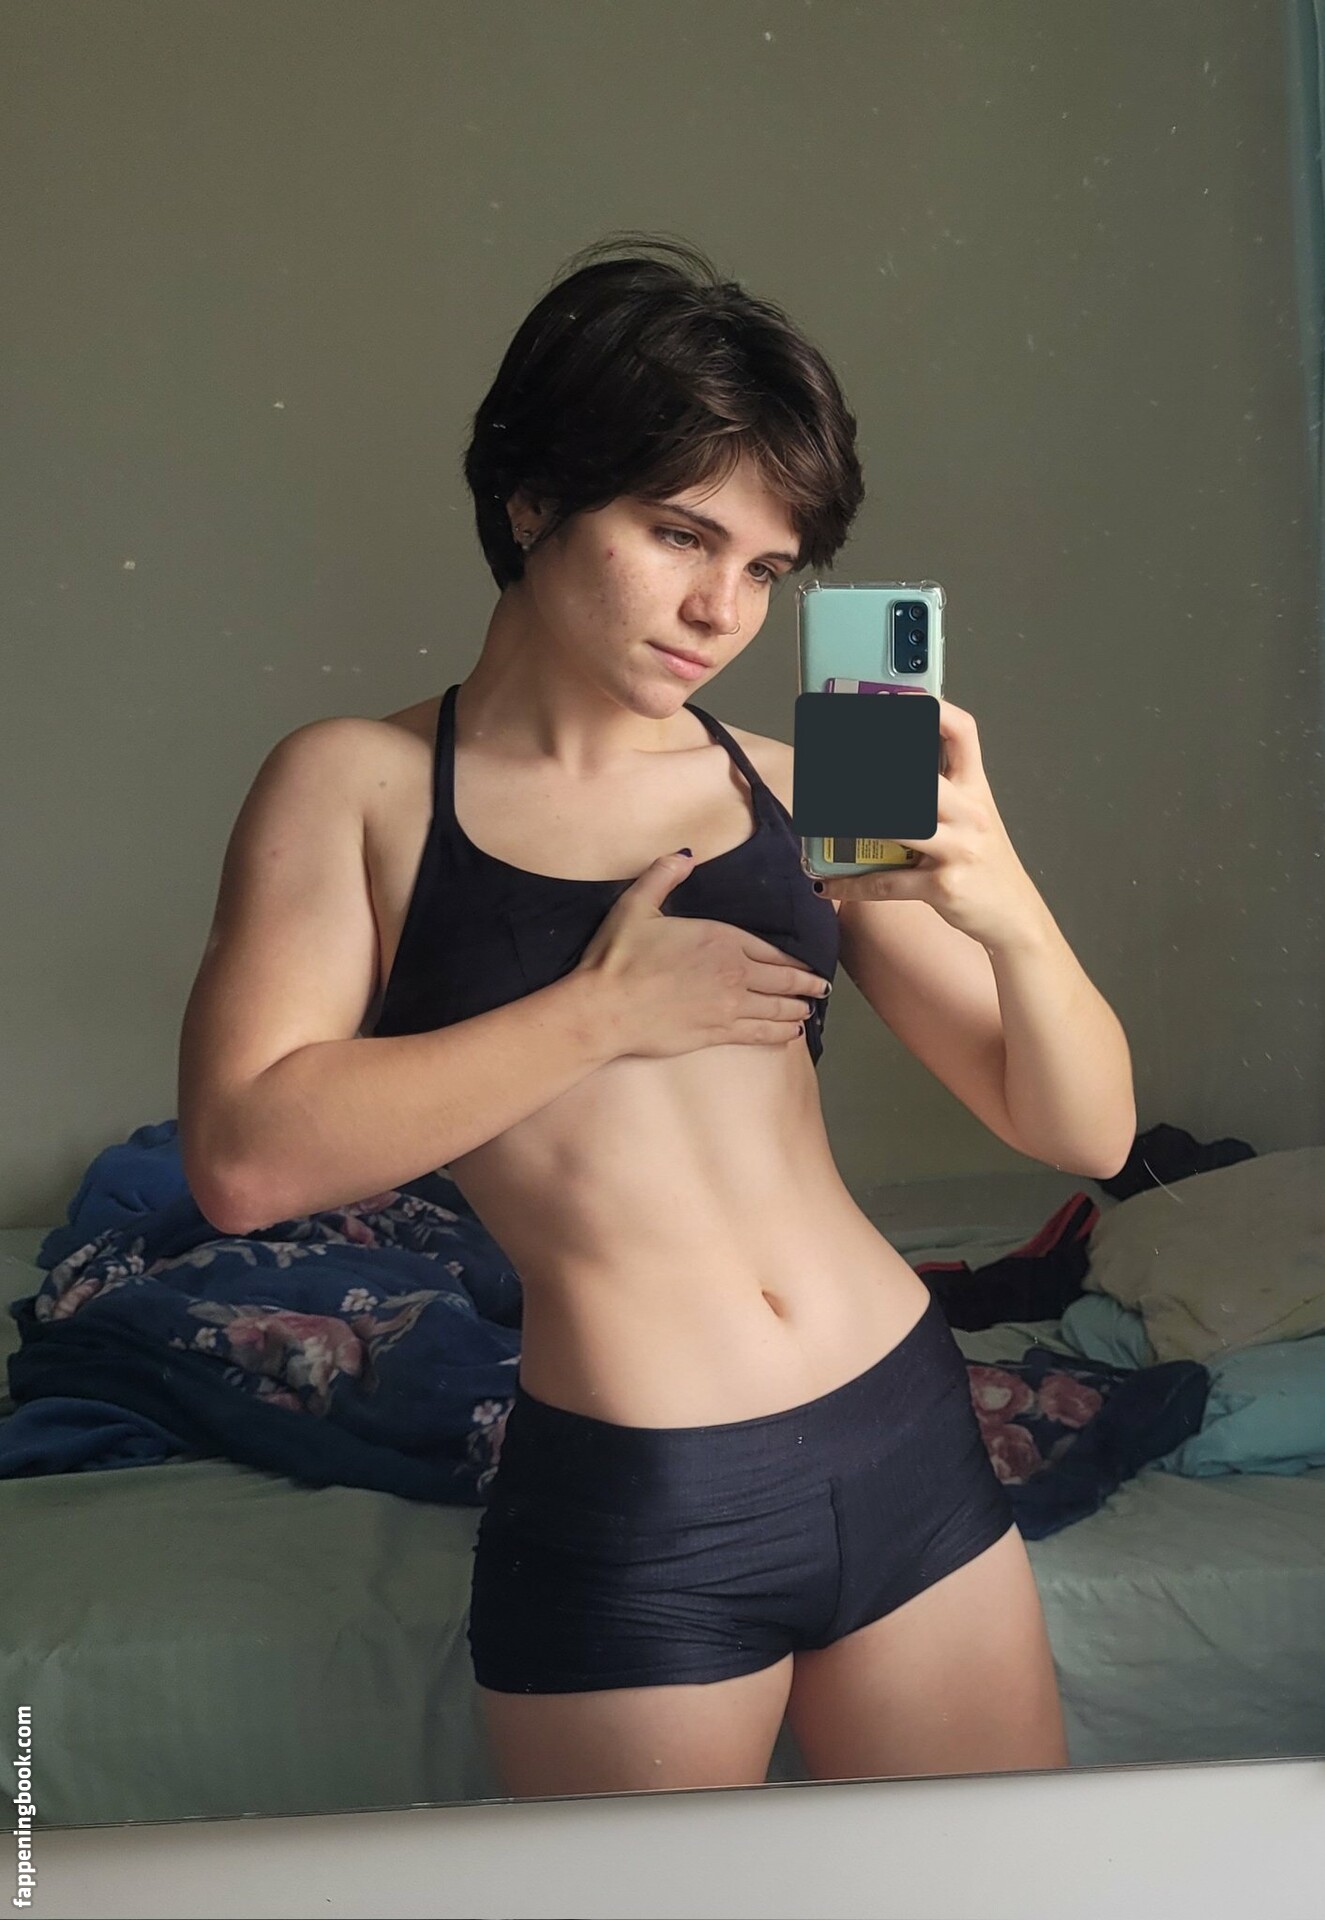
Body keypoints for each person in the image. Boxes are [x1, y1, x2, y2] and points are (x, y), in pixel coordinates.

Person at [178, 232, 1135, 1798]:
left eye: (764, 568)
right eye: (679, 533)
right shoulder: (354, 783)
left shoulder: (811, 772)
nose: (718, 609)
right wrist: (600, 1012)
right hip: (646, 1501)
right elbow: (242, 1161)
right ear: (531, 499)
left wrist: (1005, 895)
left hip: (905, 1431)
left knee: (995, 1897)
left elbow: (1082, 1129)